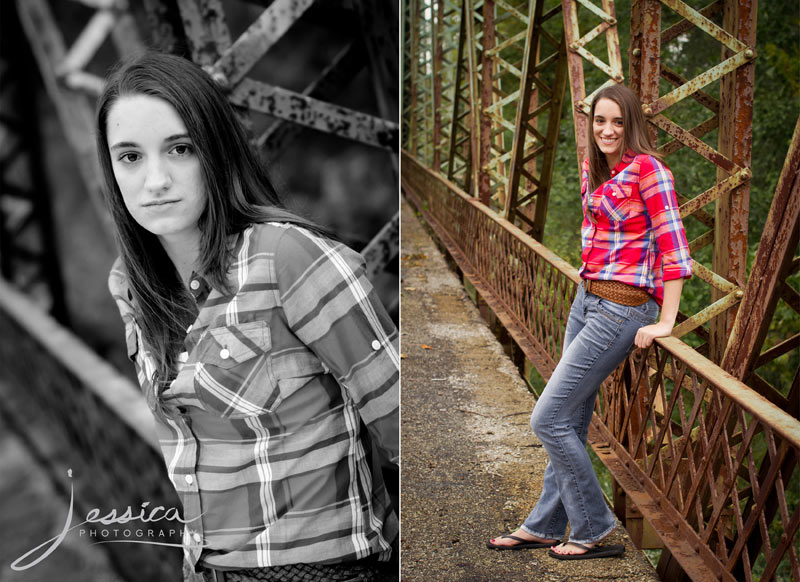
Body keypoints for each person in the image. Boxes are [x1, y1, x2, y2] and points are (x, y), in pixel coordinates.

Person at [97, 51, 399, 582]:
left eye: (180, 149)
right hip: (204, 567)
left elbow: (407, 427)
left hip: (317, 569)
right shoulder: (134, 284)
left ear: (215, 150)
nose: (156, 180)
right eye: (130, 157)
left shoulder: (290, 258)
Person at [486, 83, 692, 559]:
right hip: (585, 301)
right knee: (570, 420)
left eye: (618, 121)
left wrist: (666, 321)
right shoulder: (593, 171)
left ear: (632, 124)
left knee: (547, 417)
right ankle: (545, 524)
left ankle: (593, 525)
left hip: (622, 309)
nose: (608, 130)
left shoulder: (650, 171)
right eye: (600, 120)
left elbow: (675, 249)